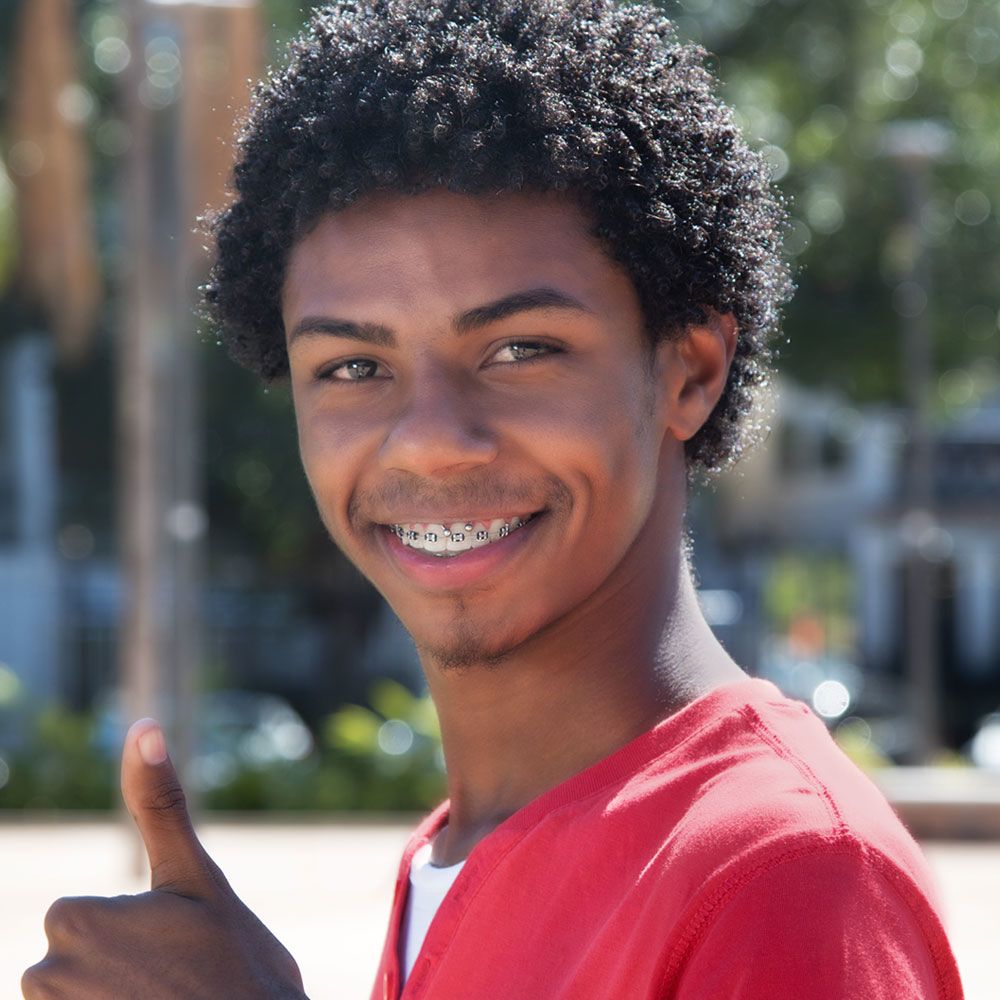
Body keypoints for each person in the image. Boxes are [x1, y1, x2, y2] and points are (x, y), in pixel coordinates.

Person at [23, 1, 965, 998]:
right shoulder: (455, 853)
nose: (430, 437)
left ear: (688, 372)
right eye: (351, 365)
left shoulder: (782, 876)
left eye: (520, 350)